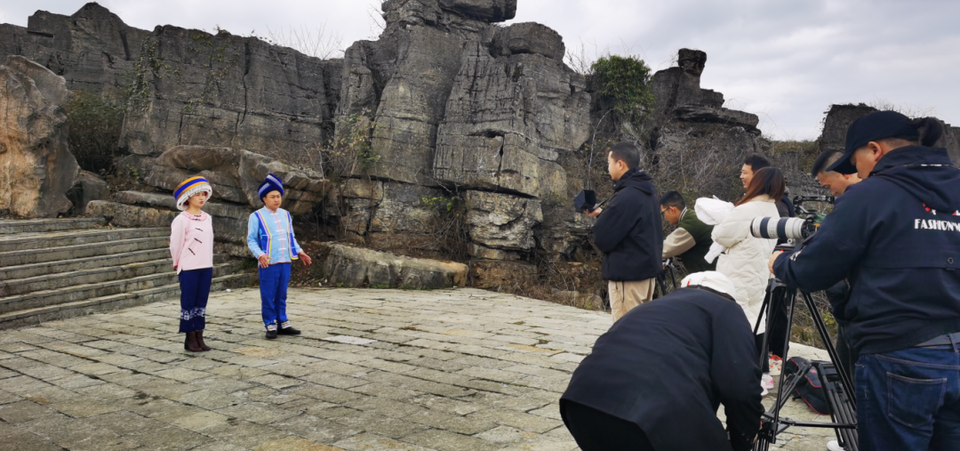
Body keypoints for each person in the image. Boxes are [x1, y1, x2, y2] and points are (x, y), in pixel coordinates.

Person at [770, 111, 960, 450]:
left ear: (875, 150)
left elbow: (811, 270)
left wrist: (781, 262)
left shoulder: (872, 194)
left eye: (854, 160)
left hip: (899, 356)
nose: (854, 171)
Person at [560, 271, 763, 451]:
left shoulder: (653, 306)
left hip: (581, 403)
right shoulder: (727, 309)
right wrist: (743, 439)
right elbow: (741, 385)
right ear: (728, 296)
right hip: (658, 416)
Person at [713, 166, 783, 394]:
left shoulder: (746, 209)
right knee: (757, 320)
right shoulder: (773, 209)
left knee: (733, 321)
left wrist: (723, 218)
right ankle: (761, 374)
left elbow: (720, 235)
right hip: (759, 272)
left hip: (737, 273)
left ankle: (733, 374)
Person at [584, 142, 663, 322]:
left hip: (628, 278)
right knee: (639, 330)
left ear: (620, 164)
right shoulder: (646, 192)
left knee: (624, 333)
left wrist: (602, 220)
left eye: (609, 162)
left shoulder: (627, 196)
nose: (608, 167)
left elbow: (603, 237)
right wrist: (603, 214)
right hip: (645, 276)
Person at [247, 174, 313, 340]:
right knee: (268, 295)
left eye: (278, 196)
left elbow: (291, 236)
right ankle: (270, 324)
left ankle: (283, 322)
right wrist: (260, 255)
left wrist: (299, 251)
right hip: (268, 262)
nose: (276, 200)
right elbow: (251, 240)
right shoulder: (256, 216)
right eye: (273, 197)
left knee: (282, 293)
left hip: (285, 260)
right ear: (264, 198)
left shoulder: (285, 214)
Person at [170, 176, 215, 352]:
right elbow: (176, 244)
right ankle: (189, 338)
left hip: (205, 266)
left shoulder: (208, 218)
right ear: (188, 197)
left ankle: (199, 335)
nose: (201, 198)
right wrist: (178, 264)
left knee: (201, 302)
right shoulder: (182, 220)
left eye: (203, 194)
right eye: (197, 194)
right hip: (189, 267)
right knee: (189, 302)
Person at [660, 190, 716, 273]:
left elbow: (664, 249)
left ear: (672, 209)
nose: (664, 217)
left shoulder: (690, 225)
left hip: (710, 275)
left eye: (663, 213)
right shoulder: (692, 216)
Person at [740, 154, 795, 218]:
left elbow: (782, 226)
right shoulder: (745, 196)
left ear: (759, 174)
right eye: (741, 172)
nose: (741, 176)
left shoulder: (777, 203)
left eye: (745, 173)